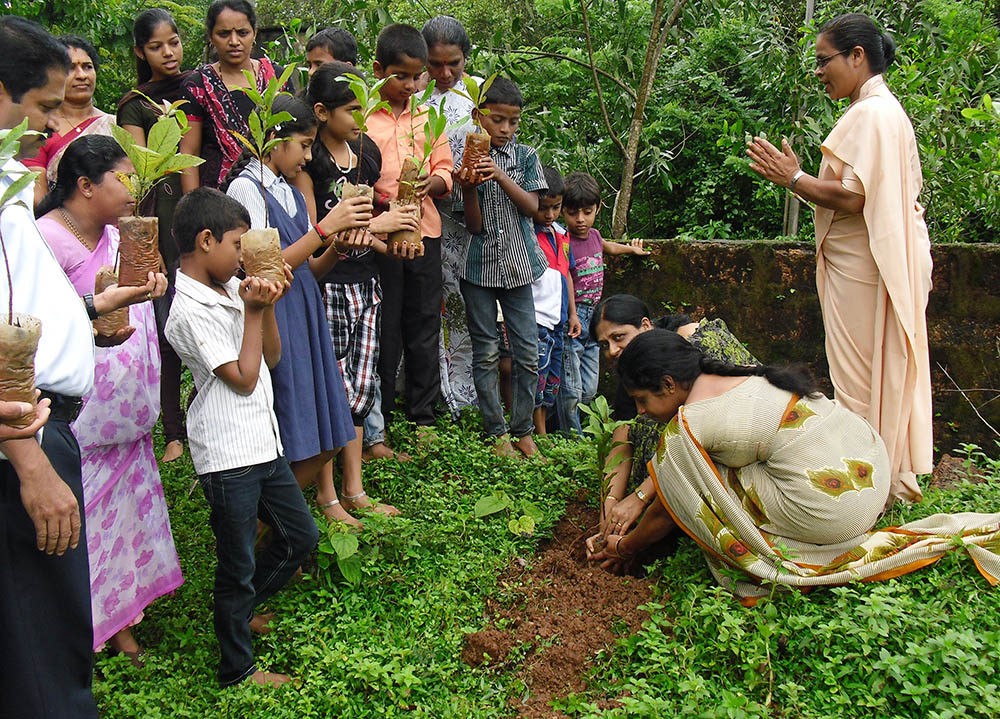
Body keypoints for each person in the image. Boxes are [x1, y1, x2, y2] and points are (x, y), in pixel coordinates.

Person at [0, 17, 165, 717]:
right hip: (26, 440)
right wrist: (28, 458)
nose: (42, 128)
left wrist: (94, 318)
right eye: (37, 107)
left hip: (45, 427)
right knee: (40, 639)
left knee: (46, 630)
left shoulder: (10, 182)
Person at [587, 330, 1000, 602]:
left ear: (668, 385)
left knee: (699, 486)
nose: (642, 412)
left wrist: (624, 548)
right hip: (870, 477)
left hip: (830, 512)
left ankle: (787, 549)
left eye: (643, 400)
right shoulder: (742, 376)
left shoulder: (689, 423)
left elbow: (666, 512)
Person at [746, 13, 932, 505]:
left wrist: (793, 178)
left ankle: (869, 486)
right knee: (879, 371)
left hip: (866, 269)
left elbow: (852, 198)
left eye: (824, 60)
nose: (819, 72)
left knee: (859, 378)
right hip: (874, 262)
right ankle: (883, 477)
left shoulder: (872, 114)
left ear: (857, 56)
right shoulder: (884, 111)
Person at [36, 135, 183, 664]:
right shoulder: (46, 241)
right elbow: (39, 324)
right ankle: (89, 626)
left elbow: (138, 293)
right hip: (82, 414)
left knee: (124, 514)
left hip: (127, 410)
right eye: (121, 178)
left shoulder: (125, 234)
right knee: (88, 517)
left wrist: (154, 283)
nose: (131, 190)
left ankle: (124, 617)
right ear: (83, 185)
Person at [165, 187, 318, 687]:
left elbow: (270, 356)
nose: (241, 255)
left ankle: (244, 609)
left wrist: (268, 302)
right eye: (236, 244)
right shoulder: (184, 311)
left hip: (262, 441)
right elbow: (245, 376)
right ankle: (238, 668)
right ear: (206, 240)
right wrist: (252, 311)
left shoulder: (233, 287)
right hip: (227, 453)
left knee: (301, 537)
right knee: (236, 563)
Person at [225, 94, 390, 521]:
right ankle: (272, 521)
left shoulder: (289, 189)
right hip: (278, 317)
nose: (309, 155)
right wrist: (324, 229)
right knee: (292, 420)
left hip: (306, 311)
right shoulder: (247, 187)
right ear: (274, 140)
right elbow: (264, 270)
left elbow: (310, 268)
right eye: (302, 144)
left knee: (333, 422)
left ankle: (288, 515)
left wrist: (336, 243)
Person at [294, 64, 420, 518]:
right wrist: (377, 225)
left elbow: (371, 229)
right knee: (333, 390)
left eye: (366, 108)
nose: (361, 118)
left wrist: (393, 241)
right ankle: (327, 497)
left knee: (363, 388)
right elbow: (315, 231)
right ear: (322, 112)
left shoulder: (366, 156)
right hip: (329, 284)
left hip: (367, 282)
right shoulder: (311, 164)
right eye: (352, 110)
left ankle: (354, 487)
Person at [590, 294, 756, 539]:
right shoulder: (634, 370)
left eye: (618, 337)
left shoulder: (696, 343)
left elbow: (697, 432)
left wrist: (640, 497)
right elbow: (622, 434)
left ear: (645, 325)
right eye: (605, 344)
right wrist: (609, 508)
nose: (612, 351)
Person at [369, 24, 454, 441]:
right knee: (384, 323)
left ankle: (423, 415)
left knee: (423, 322)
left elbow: (445, 170)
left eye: (415, 77)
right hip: (381, 236)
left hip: (425, 232)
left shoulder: (427, 116)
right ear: (378, 70)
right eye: (399, 76)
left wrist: (429, 185)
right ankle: (379, 414)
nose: (408, 85)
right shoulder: (364, 117)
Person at [456, 76, 546, 458]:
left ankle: (523, 430)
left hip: (519, 265)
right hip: (478, 268)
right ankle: (497, 433)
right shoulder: (466, 154)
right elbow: (473, 226)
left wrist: (500, 174)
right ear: (479, 117)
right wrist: (471, 185)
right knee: (487, 351)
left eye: (513, 122)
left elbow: (533, 208)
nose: (505, 129)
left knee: (527, 351)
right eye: (497, 120)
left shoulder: (525, 157)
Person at [118, 7, 191, 463]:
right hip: (162, 226)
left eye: (174, 41)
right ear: (141, 52)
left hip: (202, 217)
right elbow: (138, 177)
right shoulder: (135, 104)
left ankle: (206, 418)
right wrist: (149, 248)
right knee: (166, 333)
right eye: (156, 46)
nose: (168, 52)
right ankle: (173, 431)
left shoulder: (198, 89)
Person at [557, 172, 648, 436]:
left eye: (587, 211)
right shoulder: (563, 241)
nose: (581, 219)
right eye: (573, 213)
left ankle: (581, 426)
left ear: (597, 208)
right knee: (571, 385)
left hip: (595, 319)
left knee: (588, 386)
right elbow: (563, 278)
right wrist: (573, 314)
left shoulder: (595, 236)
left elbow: (607, 247)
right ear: (563, 211)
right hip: (572, 319)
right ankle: (571, 435)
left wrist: (632, 249)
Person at [422, 15, 482, 416]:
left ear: (465, 60)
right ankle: (430, 390)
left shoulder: (481, 101)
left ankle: (466, 394)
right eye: (435, 64)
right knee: (428, 305)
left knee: (465, 306)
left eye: (453, 64)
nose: (444, 73)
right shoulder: (413, 100)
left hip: (469, 220)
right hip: (426, 217)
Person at [179, 0, 288, 190]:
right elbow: (190, 152)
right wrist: (194, 210)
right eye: (224, 34)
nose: (234, 41)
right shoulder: (197, 86)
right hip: (219, 198)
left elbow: (293, 137)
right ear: (211, 37)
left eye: (242, 32)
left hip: (274, 192)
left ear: (254, 33)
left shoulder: (277, 78)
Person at [24, 35, 113, 207]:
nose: (81, 75)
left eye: (87, 67)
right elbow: (36, 195)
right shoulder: (40, 127)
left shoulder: (115, 124)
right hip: (57, 225)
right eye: (71, 68)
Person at [531, 166, 580, 434]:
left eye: (556, 207)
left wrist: (572, 314)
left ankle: (544, 428)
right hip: (537, 319)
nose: (549, 215)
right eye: (543, 208)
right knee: (537, 376)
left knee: (553, 378)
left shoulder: (562, 234)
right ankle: (539, 432)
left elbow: (567, 276)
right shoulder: (527, 235)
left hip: (559, 321)